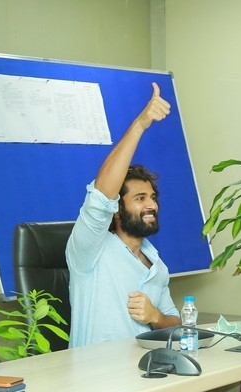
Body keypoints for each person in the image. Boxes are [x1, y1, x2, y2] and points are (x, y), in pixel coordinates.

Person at [66, 83, 181, 347]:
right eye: (140, 199)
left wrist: (156, 316)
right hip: (96, 379)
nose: (151, 205)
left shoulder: (156, 264)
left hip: (145, 372)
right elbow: (101, 196)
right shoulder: (90, 250)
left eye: (152, 198)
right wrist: (141, 124)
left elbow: (175, 323)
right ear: (117, 209)